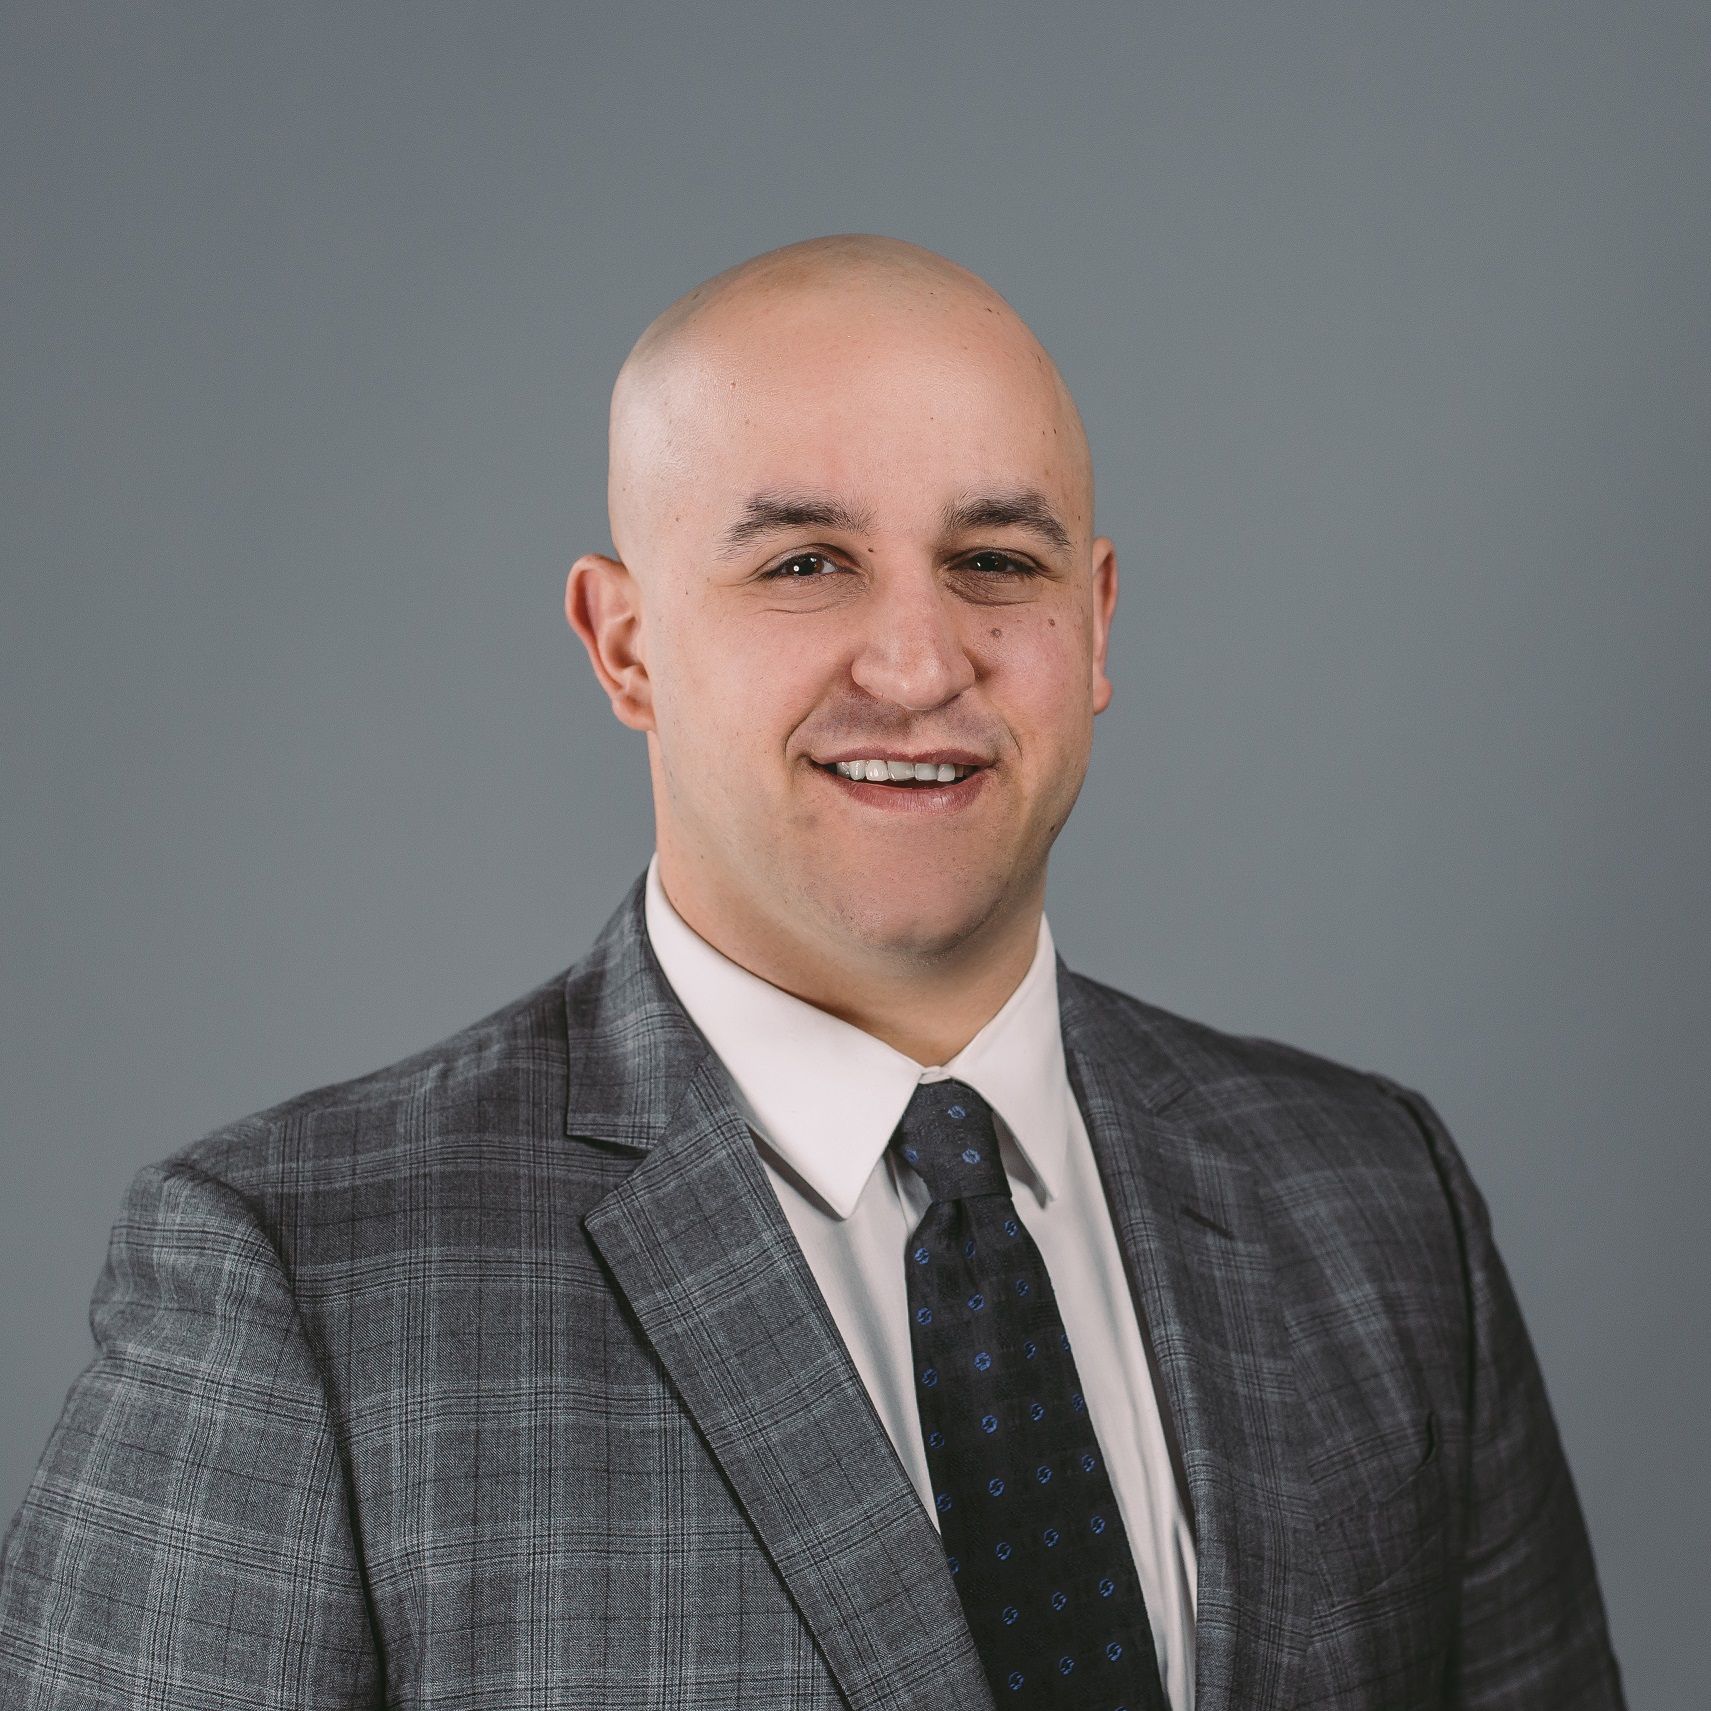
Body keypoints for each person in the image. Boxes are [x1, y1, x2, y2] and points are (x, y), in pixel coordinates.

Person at [0, 235, 1624, 1711]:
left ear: (1099, 624)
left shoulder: (1374, 1203)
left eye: (997, 560)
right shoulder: (304, 1291)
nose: (918, 664)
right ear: (623, 646)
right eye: (803, 564)